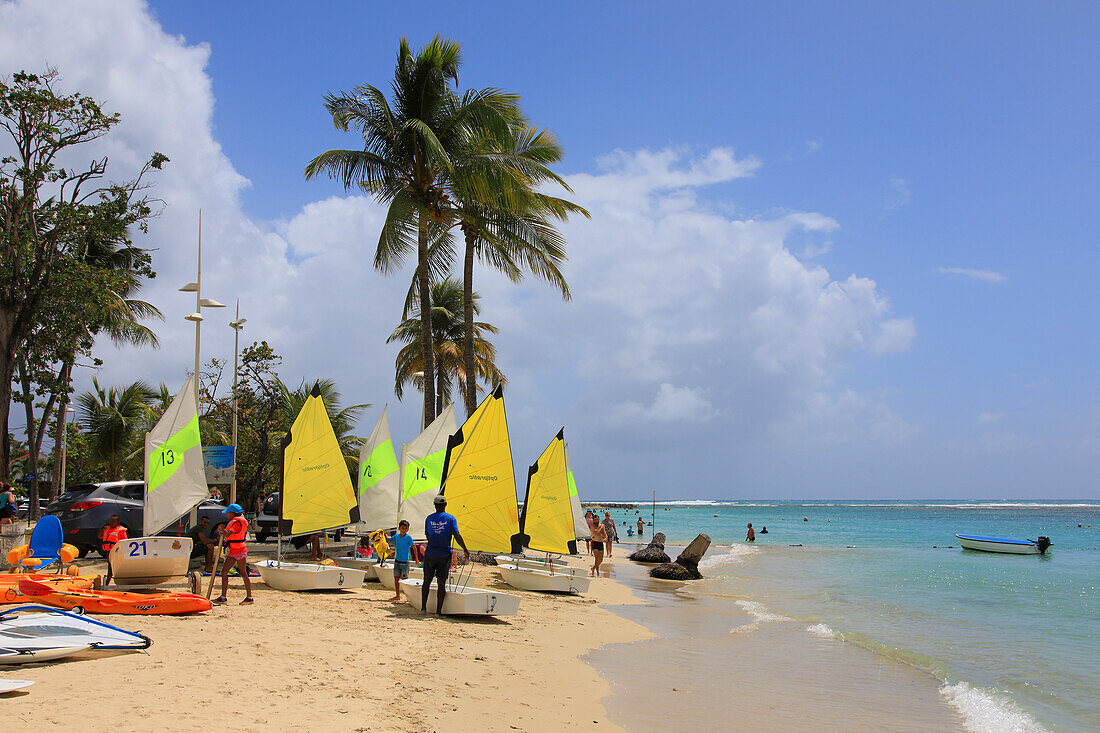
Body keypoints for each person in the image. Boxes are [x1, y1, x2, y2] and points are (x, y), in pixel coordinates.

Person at [422, 494, 469, 615]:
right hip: (443, 555)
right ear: (445, 505)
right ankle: (438, 611)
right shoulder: (450, 519)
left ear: (435, 505)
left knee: (426, 581)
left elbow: (428, 535)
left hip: (430, 554)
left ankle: (423, 608)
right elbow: (456, 535)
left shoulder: (429, 518)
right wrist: (465, 549)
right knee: (441, 583)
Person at [214, 503, 253, 605]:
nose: (226, 515)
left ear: (232, 513)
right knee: (224, 572)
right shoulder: (235, 521)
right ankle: (223, 597)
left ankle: (249, 598)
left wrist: (222, 529)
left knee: (243, 573)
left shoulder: (237, 523)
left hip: (239, 550)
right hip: (233, 550)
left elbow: (228, 533)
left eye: (228, 513)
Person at [391, 519, 415, 603]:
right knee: (396, 579)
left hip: (405, 562)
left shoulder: (408, 537)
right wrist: (382, 534)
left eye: (405, 528)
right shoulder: (396, 536)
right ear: (399, 528)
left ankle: (408, 596)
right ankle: (397, 595)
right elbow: (389, 540)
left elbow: (413, 547)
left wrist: (416, 559)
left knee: (404, 580)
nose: (404, 530)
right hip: (397, 561)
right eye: (402, 528)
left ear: (407, 529)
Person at [100, 514, 128, 586]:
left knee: (111, 568)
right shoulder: (107, 529)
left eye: (113, 522)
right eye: (110, 521)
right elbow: (99, 536)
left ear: (118, 522)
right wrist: (103, 530)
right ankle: (107, 583)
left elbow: (125, 542)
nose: (111, 523)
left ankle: (106, 584)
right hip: (108, 552)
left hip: (116, 553)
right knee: (110, 567)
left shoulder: (121, 531)